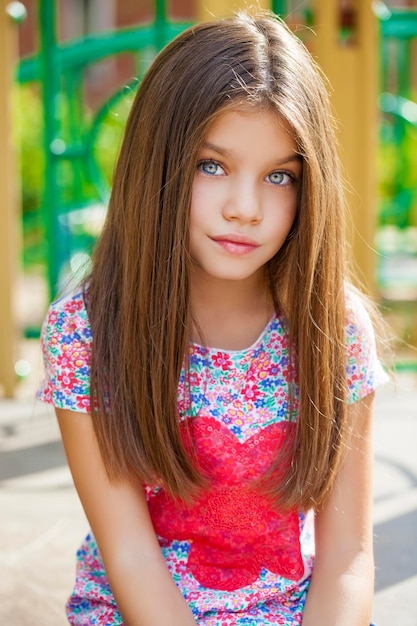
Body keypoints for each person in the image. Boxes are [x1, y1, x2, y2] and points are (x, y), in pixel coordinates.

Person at [38, 11, 388, 626]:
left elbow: (347, 558)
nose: (245, 208)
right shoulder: (87, 336)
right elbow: (130, 557)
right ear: (158, 163)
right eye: (212, 166)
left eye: (279, 176)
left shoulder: (333, 330)